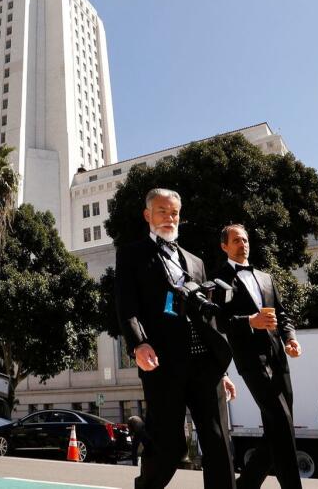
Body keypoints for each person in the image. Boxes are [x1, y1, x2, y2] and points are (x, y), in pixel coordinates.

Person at [115, 188, 238, 489]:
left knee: (219, 443)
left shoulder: (195, 262)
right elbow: (126, 306)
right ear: (148, 215)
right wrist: (138, 343)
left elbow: (207, 318)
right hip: (163, 364)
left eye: (174, 213)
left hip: (205, 363)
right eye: (162, 211)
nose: (169, 218)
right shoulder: (131, 254)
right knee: (170, 448)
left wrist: (221, 371)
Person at [211, 224, 302, 489]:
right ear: (224, 246)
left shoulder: (266, 277)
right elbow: (217, 321)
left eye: (246, 240)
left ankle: (247, 484)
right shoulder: (218, 279)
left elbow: (282, 314)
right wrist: (250, 321)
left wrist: (291, 339)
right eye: (237, 240)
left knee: (280, 425)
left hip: (278, 358)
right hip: (251, 360)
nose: (243, 244)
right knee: (282, 423)